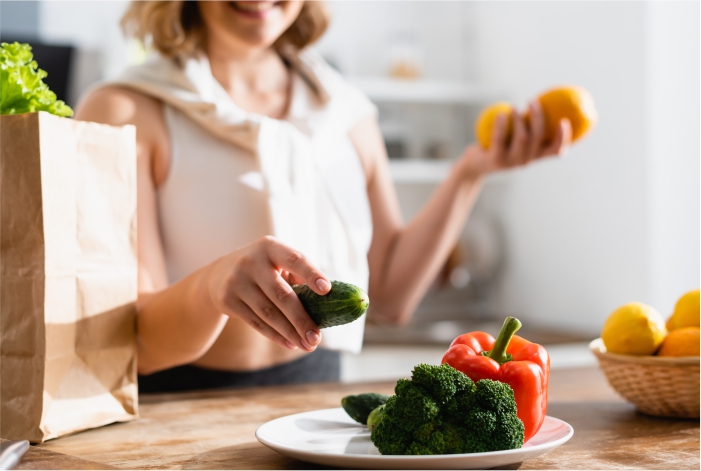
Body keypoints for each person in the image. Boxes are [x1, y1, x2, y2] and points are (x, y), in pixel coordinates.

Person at [76, 1, 571, 392]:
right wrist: (212, 287)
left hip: (315, 399)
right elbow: (128, 340)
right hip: (182, 403)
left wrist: (470, 173)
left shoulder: (345, 111)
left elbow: (392, 298)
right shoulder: (124, 108)